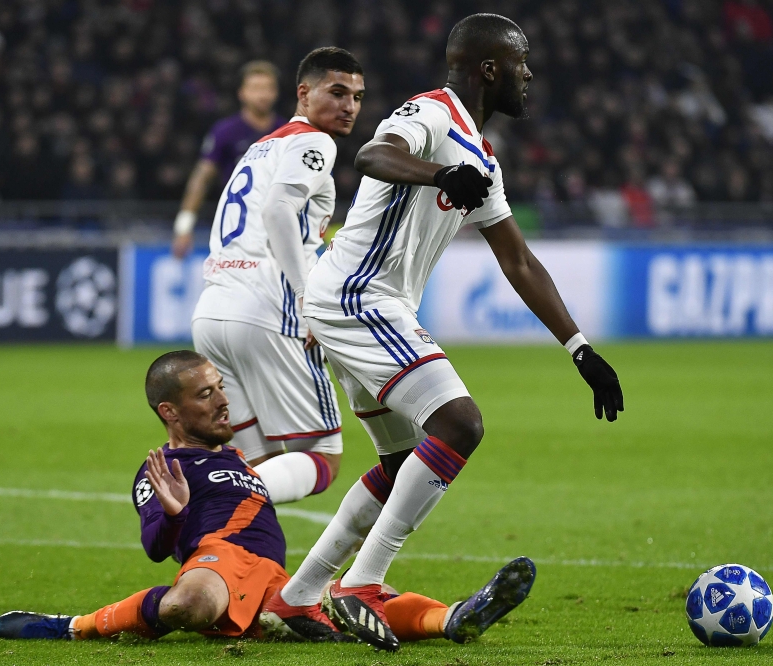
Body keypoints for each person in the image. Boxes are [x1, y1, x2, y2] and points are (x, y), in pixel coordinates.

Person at [267, 13, 624, 651]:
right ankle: (364, 583)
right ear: (490, 68)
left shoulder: (482, 156)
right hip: (358, 295)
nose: (529, 75)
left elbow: (518, 262)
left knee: (403, 460)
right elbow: (373, 154)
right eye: (521, 63)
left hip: (354, 302)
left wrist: (582, 350)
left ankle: (301, 595)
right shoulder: (433, 112)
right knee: (459, 423)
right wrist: (438, 175)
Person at [0, 351, 535, 644]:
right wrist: (173, 519)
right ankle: (71, 626)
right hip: (217, 565)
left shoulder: (237, 461)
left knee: (361, 604)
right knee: (189, 604)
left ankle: (454, 618)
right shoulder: (163, 467)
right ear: (169, 413)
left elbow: (313, 469)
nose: (223, 401)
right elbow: (155, 545)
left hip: (273, 577)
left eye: (222, 387)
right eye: (206, 394)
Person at [189, 48, 365, 507]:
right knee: (322, 458)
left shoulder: (261, 145)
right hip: (269, 310)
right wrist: (309, 298)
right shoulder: (314, 142)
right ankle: (203, 501)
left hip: (213, 312)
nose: (349, 106)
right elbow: (277, 210)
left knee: (254, 463)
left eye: (357, 97)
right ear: (304, 94)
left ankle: (233, 567)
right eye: (338, 92)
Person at [172, 61, 285, 259]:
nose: (263, 95)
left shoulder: (288, 133)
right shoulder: (225, 132)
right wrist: (184, 227)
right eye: (256, 88)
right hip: (237, 231)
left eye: (268, 88)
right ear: (242, 93)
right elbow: (201, 179)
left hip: (281, 229)